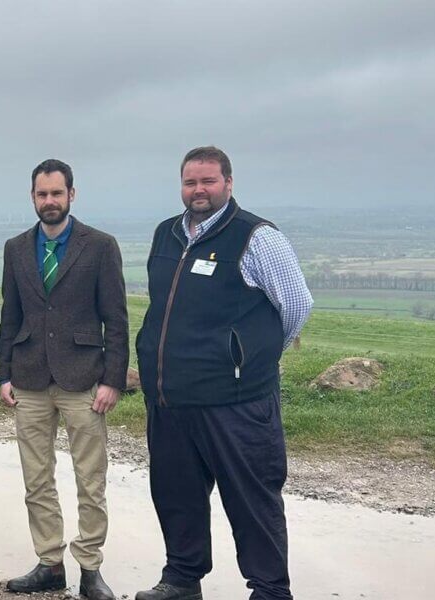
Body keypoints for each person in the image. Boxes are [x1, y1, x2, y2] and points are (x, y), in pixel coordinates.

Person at [134, 146, 313, 600]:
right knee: (176, 495)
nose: (199, 190)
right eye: (191, 182)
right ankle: (181, 578)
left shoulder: (256, 236)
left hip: (236, 403)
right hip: (171, 399)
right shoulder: (166, 234)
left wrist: (247, 358)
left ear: (228, 183)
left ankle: (270, 589)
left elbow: (295, 306)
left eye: (208, 181)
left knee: (251, 499)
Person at [0, 159, 127, 599]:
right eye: (41, 194)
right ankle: (49, 563)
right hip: (30, 377)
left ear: (72, 194)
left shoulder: (101, 246)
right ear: (32, 197)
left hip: (85, 378)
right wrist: (4, 374)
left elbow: (117, 319)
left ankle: (90, 567)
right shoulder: (16, 248)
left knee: (91, 479)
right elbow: (9, 316)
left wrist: (113, 379)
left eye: (56, 193)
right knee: (37, 478)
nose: (49, 201)